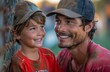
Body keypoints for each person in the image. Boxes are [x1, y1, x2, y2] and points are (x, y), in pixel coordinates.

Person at [47, 0, 110, 72]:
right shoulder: (62, 57)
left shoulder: (104, 64)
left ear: (88, 26)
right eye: (58, 21)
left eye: (69, 22)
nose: (60, 29)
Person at [10, 1, 62, 72]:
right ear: (17, 34)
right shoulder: (18, 62)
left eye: (42, 27)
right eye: (33, 28)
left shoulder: (49, 55)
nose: (40, 33)